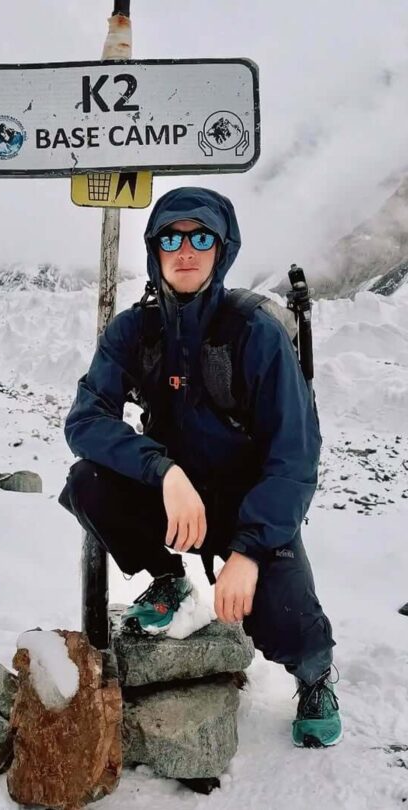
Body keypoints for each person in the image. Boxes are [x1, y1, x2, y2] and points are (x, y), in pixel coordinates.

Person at [58, 186, 342, 749]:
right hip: (176, 498)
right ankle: (169, 581)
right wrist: (162, 471)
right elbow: (85, 421)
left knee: (284, 614)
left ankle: (315, 677)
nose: (185, 250)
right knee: (88, 482)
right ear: (155, 250)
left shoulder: (254, 332)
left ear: (222, 247)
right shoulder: (135, 331)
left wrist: (251, 550)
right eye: (171, 238)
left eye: (201, 237)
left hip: (249, 505)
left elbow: (293, 456)